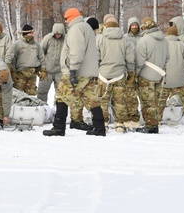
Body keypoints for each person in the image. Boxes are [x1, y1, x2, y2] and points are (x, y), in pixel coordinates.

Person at [43, 8, 105, 137]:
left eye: (66, 19)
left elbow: (77, 51)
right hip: (89, 72)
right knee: (92, 99)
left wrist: (73, 70)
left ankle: (58, 128)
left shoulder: (76, 29)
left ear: (71, 17)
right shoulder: (87, 28)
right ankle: (100, 128)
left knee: (61, 96)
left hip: (77, 71)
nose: (66, 22)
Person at [132, 17, 168, 134]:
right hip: (159, 74)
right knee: (155, 101)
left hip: (146, 76)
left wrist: (135, 75)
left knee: (147, 102)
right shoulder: (165, 40)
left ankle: (150, 125)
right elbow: (168, 58)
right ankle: (154, 123)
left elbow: (139, 61)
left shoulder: (144, 40)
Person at [97, 16, 130, 133]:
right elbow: (130, 58)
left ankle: (104, 123)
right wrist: (131, 72)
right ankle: (120, 124)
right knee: (120, 101)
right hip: (119, 74)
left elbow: (97, 57)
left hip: (103, 75)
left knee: (103, 101)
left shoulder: (100, 38)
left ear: (106, 25)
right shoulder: (125, 39)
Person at [37, 22, 65, 103]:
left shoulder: (66, 39)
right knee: (42, 91)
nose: (58, 35)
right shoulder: (48, 38)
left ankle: (57, 111)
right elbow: (40, 52)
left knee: (61, 93)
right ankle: (41, 109)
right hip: (47, 71)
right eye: (56, 34)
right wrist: (41, 67)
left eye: (60, 34)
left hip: (60, 71)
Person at [122, 17, 142, 128]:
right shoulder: (125, 38)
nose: (134, 27)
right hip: (129, 70)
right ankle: (130, 117)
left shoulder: (143, 37)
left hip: (141, 68)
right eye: (132, 25)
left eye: (136, 25)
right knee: (129, 95)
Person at [12, 24, 43, 95]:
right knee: (17, 95)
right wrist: (13, 71)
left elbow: (41, 58)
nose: (32, 35)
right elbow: (13, 59)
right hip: (20, 74)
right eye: (31, 33)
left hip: (32, 73)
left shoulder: (37, 45)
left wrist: (43, 70)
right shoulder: (17, 44)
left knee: (31, 95)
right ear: (26, 34)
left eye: (33, 33)